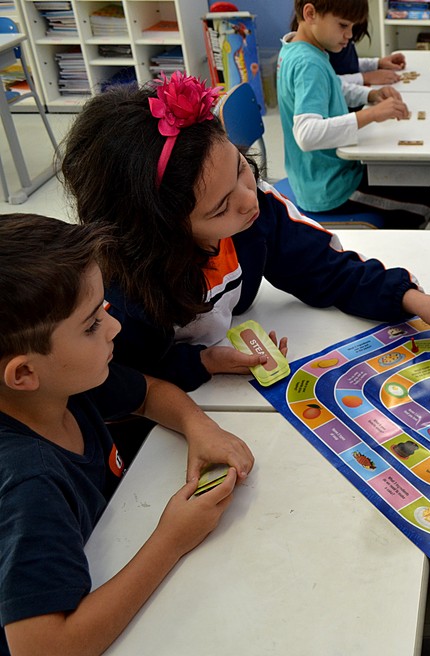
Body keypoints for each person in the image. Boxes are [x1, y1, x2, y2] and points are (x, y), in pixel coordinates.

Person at [60, 72, 430, 393]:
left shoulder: (254, 209)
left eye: (242, 167)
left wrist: (410, 297)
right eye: (221, 206)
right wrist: (202, 363)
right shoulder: (115, 295)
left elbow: (324, 267)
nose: (249, 199)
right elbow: (116, 382)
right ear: (159, 232)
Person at [0, 214, 254, 655]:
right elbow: (44, 648)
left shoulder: (61, 386)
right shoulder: (28, 482)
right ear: (24, 372)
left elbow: (148, 392)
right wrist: (171, 539)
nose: (114, 326)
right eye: (91, 325)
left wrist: (198, 424)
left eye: (104, 309)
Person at [278, 0, 430, 226]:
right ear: (310, 13)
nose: (349, 35)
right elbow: (306, 134)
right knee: (426, 202)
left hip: (320, 176)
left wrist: (369, 96)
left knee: (414, 184)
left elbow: (331, 87)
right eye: (343, 26)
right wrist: (371, 114)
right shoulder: (308, 63)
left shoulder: (297, 47)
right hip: (332, 188)